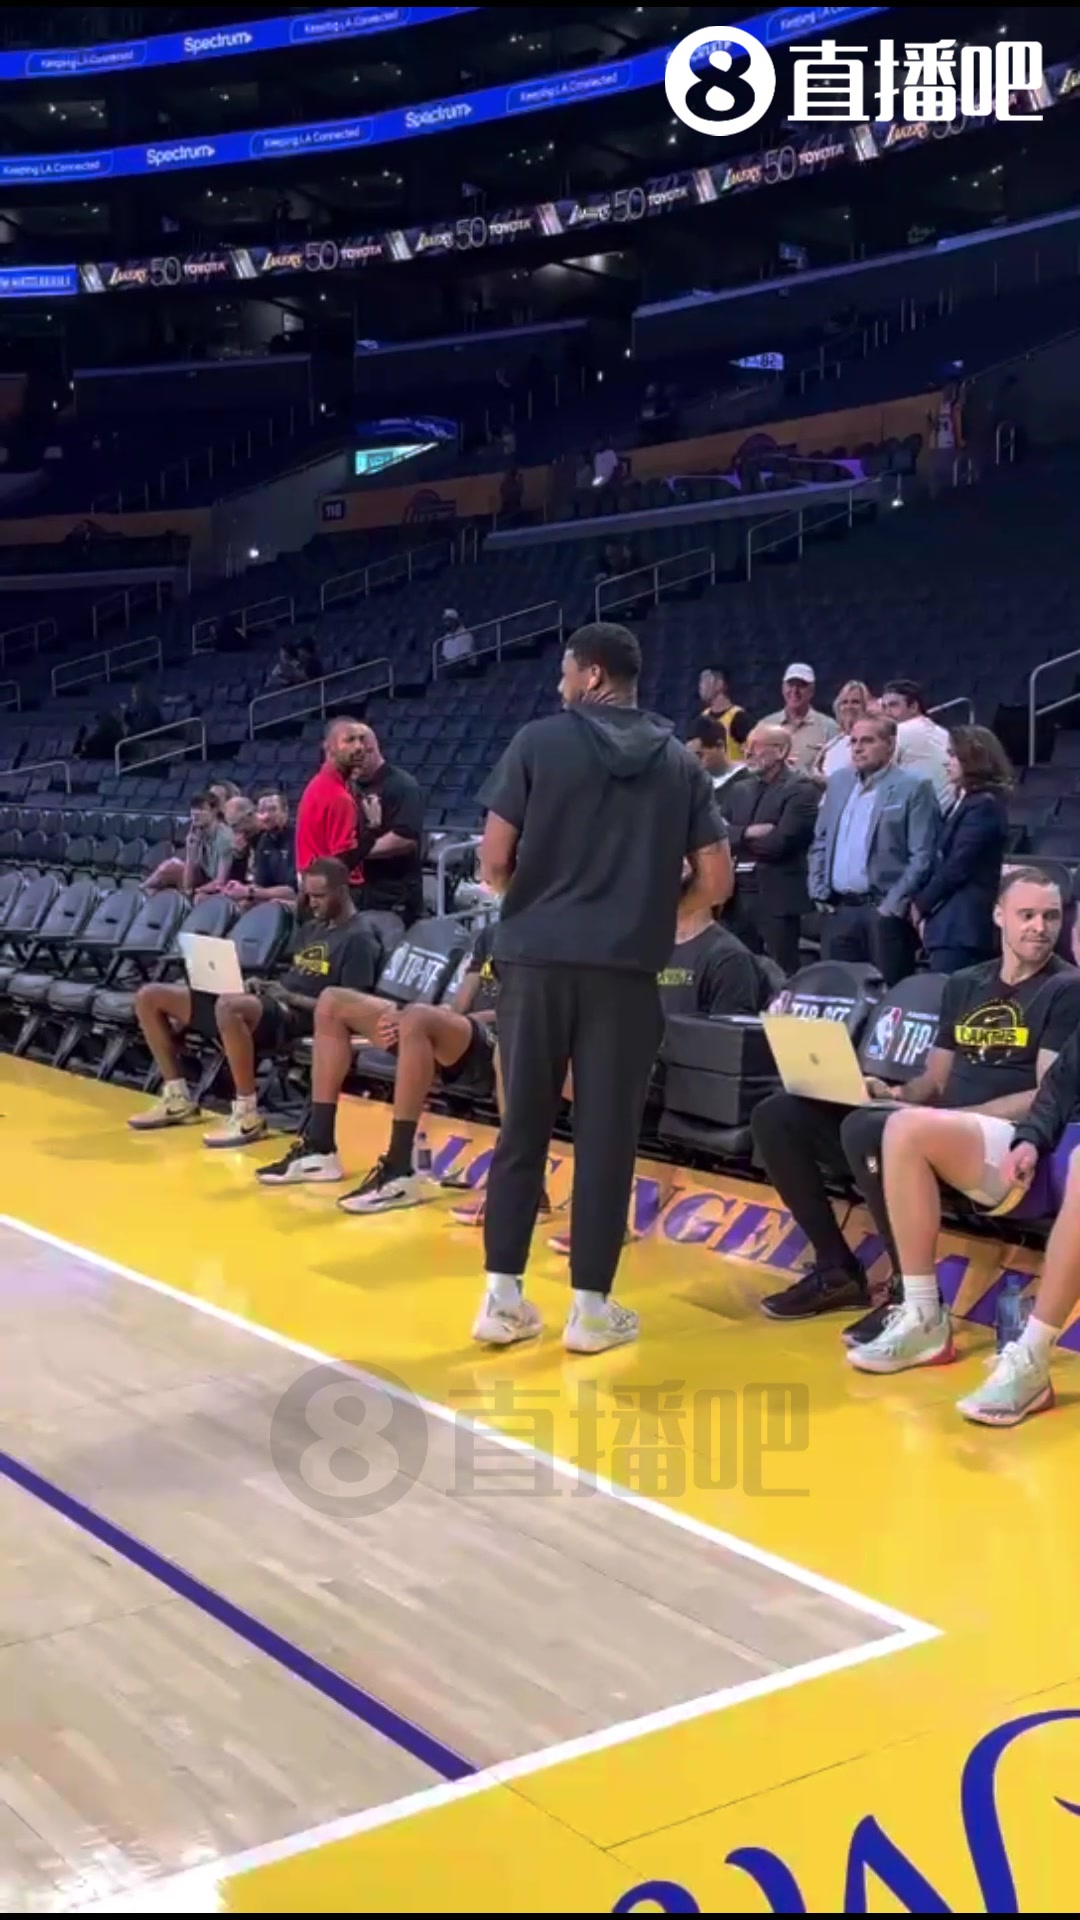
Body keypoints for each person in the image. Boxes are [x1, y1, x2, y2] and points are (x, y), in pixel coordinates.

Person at [472, 620, 732, 1355]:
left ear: (590, 674)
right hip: (625, 972)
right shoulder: (680, 762)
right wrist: (653, 914)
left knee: (522, 1128)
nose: (560, 685)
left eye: (565, 672)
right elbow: (716, 880)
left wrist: (539, 906)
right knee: (608, 1137)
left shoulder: (537, 741)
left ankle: (502, 1300)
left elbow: (493, 861)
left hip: (535, 963)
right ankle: (590, 1310)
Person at [751, 869, 1080, 1325]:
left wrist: (952, 1118)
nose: (1040, 928)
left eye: (1051, 917)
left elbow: (1050, 1092)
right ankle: (836, 1268)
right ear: (998, 915)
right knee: (779, 1115)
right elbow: (935, 1082)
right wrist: (891, 1092)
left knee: (869, 1129)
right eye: (1027, 915)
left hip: (1006, 1142)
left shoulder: (1067, 988)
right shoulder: (965, 982)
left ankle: (912, 1295)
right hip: (937, 1130)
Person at [256, 917, 555, 1225]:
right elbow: (459, 1006)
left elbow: (530, 1010)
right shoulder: (491, 934)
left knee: (418, 1018)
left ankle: (399, 1168)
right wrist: (404, 1018)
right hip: (463, 1033)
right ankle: (319, 1147)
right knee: (333, 1002)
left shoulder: (548, 935)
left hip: (507, 1039)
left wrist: (427, 1018)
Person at [127, 859, 379, 1147]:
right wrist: (260, 985)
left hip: (299, 1017)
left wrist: (289, 997)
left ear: (342, 891)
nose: (312, 903)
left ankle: (247, 1114)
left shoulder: (359, 938)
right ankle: (177, 1097)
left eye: (319, 896)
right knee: (150, 996)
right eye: (308, 895)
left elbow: (353, 1009)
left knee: (229, 1007)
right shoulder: (313, 927)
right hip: (272, 1002)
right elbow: (295, 976)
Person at [953, 1012, 1080, 1426]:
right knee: (905, 1128)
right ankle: (919, 1313)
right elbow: (1058, 1086)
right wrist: (1029, 1139)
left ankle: (1032, 1358)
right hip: (1063, 1143)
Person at [810, 714, 939, 987]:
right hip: (839, 910)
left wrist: (891, 906)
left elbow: (923, 855)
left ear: (890, 745)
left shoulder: (914, 787)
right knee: (839, 993)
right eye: (854, 741)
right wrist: (818, 890)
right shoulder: (839, 782)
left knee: (887, 995)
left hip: (883, 911)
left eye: (867, 741)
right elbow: (821, 840)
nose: (857, 748)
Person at [913, 726, 1011, 973]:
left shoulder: (984, 806)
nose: (946, 762)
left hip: (962, 927)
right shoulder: (967, 801)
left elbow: (958, 866)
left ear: (973, 759)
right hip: (949, 924)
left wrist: (922, 904)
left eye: (953, 755)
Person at [723, 723, 819, 977]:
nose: (747, 753)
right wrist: (748, 832)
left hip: (777, 898)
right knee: (740, 971)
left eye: (756, 746)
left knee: (782, 972)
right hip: (736, 898)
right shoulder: (739, 790)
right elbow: (718, 835)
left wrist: (737, 837)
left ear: (781, 751)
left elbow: (778, 844)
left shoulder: (801, 790)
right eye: (746, 746)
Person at [351, 723, 424, 926]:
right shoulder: (350, 787)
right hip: (360, 893)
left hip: (394, 894)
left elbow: (404, 838)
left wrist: (354, 853)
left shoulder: (403, 785)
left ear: (370, 749)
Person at [295, 718, 379, 891]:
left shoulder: (319, 784)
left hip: (315, 885)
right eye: (349, 740)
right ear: (329, 747)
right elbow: (341, 864)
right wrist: (373, 827)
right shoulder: (337, 796)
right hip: (332, 891)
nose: (359, 747)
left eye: (361, 739)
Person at [881, 679, 952, 810]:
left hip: (922, 812)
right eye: (884, 707)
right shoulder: (944, 732)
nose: (886, 713)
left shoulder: (901, 730)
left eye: (893, 705)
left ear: (913, 707)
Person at [145, 792, 232, 896]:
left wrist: (195, 891)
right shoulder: (198, 832)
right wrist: (191, 853)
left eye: (202, 809)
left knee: (196, 896)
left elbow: (220, 882)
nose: (195, 813)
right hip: (205, 879)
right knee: (170, 867)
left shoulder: (224, 837)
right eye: (193, 809)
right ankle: (141, 892)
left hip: (225, 885)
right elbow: (189, 882)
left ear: (214, 811)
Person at [764, 664, 837, 774]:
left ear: (812, 690)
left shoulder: (828, 727)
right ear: (783, 688)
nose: (795, 691)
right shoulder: (766, 725)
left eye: (801, 686)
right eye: (790, 685)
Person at [685, 717, 752, 801]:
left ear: (719, 745)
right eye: (691, 757)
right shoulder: (695, 786)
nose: (695, 763)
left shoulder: (748, 782)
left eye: (700, 755)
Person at [818, 681, 872, 780]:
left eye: (855, 702)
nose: (848, 707)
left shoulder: (871, 741)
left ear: (866, 706)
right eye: (844, 702)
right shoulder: (833, 744)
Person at [697, 668, 752, 763]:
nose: (700, 686)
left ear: (719, 684)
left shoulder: (739, 717)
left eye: (705, 680)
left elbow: (751, 755)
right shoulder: (703, 717)